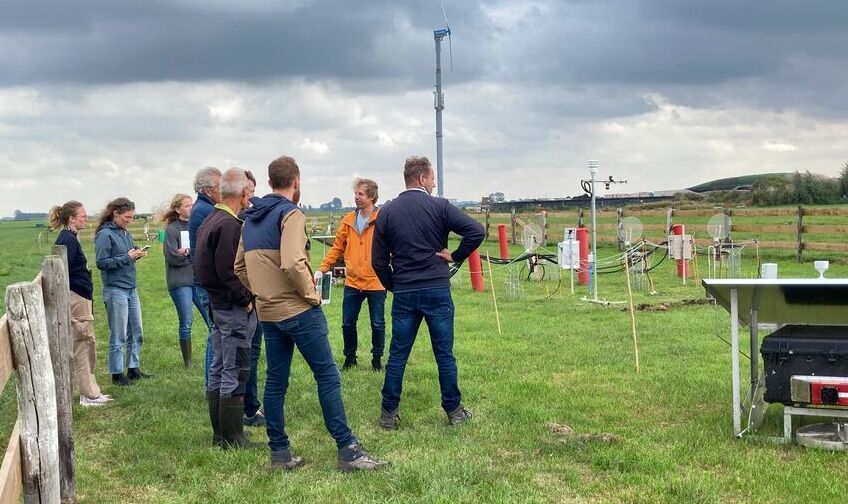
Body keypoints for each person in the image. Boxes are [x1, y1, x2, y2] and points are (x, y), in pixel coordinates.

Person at [235, 155, 387, 471]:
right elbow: (292, 261)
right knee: (327, 376)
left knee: (276, 381)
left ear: (269, 182)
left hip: (269, 312)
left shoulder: (250, 218)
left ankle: (279, 453)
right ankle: (348, 450)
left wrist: (265, 290)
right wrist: (311, 295)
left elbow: (239, 266)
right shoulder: (290, 214)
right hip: (299, 310)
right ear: (296, 182)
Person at [372, 156, 484, 429]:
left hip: (405, 291)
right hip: (436, 287)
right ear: (422, 178)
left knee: (398, 354)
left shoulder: (386, 211)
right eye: (432, 179)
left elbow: (377, 260)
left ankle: (389, 413)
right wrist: (455, 255)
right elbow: (476, 231)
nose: (434, 184)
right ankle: (454, 410)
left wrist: (393, 285)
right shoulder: (439, 206)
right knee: (444, 353)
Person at [194, 168, 259, 449]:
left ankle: (220, 434)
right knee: (235, 367)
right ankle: (233, 437)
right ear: (244, 193)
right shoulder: (230, 225)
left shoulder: (211, 218)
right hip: (231, 307)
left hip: (217, 305)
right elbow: (228, 270)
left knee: (219, 367)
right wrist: (245, 298)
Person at [315, 178, 386, 371]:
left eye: (361, 194)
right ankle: (350, 357)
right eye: (355, 193)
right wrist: (323, 268)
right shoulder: (348, 221)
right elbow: (337, 248)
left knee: (377, 324)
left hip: (376, 282)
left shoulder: (382, 219)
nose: (356, 197)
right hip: (353, 282)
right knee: (347, 323)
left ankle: (377, 359)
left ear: (371, 196)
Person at [50, 201, 112, 407]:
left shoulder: (69, 238)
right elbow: (61, 272)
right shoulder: (66, 239)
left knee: (88, 342)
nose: (86, 218)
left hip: (80, 296)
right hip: (76, 298)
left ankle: (91, 391)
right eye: (83, 216)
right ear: (71, 219)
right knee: (83, 343)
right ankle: (88, 394)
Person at [95, 197, 151, 386]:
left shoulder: (125, 232)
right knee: (118, 334)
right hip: (115, 290)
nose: (130, 220)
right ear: (115, 214)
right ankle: (117, 373)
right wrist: (127, 257)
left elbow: (126, 254)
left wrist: (136, 252)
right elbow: (101, 263)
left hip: (130, 289)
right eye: (127, 216)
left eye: (132, 217)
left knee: (137, 331)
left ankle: (133, 368)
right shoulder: (105, 235)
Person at [161, 193, 212, 369]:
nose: (191, 208)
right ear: (178, 209)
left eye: (192, 205)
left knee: (210, 318)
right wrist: (190, 254)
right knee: (187, 322)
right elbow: (172, 256)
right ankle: (188, 362)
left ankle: (215, 355)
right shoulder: (172, 229)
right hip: (179, 281)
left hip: (195, 279)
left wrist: (187, 252)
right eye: (187, 205)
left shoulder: (196, 226)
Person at [188, 167, 221, 387]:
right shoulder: (204, 211)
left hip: (204, 281)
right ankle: (212, 383)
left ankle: (213, 382)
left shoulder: (203, 207)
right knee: (215, 333)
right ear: (209, 190)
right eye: (220, 187)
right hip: (207, 283)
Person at [239, 170, 265, 428]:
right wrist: (246, 296)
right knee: (248, 354)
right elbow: (234, 266)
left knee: (250, 354)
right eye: (249, 191)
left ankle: (249, 404)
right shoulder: (237, 221)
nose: (251, 197)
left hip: (252, 297)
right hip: (245, 299)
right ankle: (248, 407)